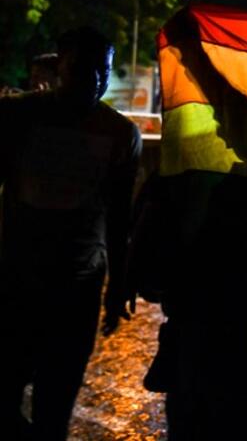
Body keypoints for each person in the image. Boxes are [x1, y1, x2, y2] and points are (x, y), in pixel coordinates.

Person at [0, 27, 141, 440]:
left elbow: (119, 215)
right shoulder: (18, 116)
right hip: (18, 279)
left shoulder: (120, 134)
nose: (95, 80)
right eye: (84, 69)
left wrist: (118, 285)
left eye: (104, 71)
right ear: (59, 63)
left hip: (76, 287)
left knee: (56, 399)